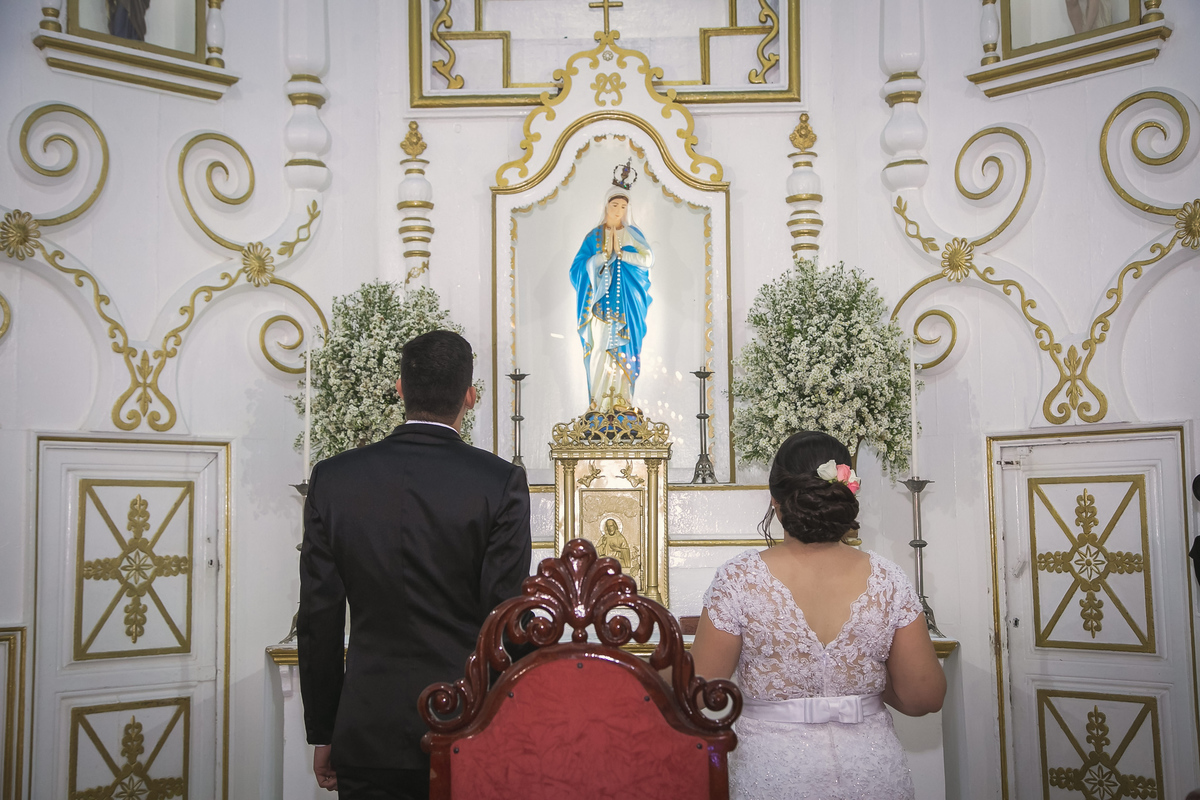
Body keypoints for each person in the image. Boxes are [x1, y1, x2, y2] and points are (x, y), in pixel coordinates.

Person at [298, 330, 532, 799]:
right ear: (470, 396)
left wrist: (325, 730)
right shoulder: (499, 482)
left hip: (367, 727)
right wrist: (513, 725)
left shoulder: (333, 478)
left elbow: (319, 618)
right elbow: (505, 619)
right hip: (464, 721)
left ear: (400, 388)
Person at [691, 431, 946, 800]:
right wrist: (865, 681)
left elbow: (699, 692)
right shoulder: (888, 579)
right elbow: (924, 697)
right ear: (847, 492)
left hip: (773, 773)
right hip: (870, 771)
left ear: (775, 500)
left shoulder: (738, 579)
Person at [569, 161, 654, 413]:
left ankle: (622, 403)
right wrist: (599, 259)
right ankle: (598, 403)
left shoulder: (632, 234)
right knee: (599, 349)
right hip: (599, 308)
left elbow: (648, 259)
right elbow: (576, 269)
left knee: (624, 350)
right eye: (614, 205)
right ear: (606, 206)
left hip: (627, 307)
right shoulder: (593, 236)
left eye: (623, 206)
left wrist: (622, 254)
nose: (618, 210)